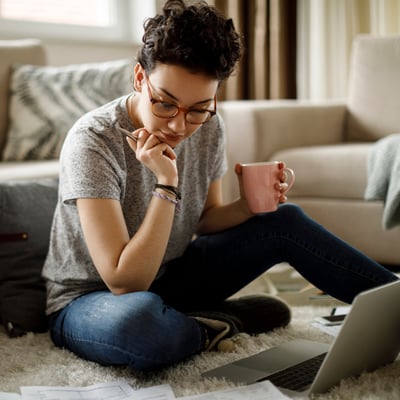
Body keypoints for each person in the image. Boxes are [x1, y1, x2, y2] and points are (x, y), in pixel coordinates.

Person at [42, 0, 398, 372]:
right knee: (140, 326)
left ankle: (396, 307)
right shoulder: (94, 140)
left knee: (284, 221)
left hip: (171, 277)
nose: (179, 126)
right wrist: (166, 184)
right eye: (165, 104)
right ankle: (219, 323)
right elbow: (124, 280)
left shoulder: (210, 125)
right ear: (138, 78)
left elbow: (206, 219)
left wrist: (247, 206)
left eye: (198, 108)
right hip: (90, 299)